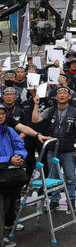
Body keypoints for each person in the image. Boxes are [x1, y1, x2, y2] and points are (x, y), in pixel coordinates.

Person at [31, 87, 76, 211]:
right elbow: (35, 119)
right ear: (56, 97)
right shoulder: (50, 110)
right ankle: (54, 200)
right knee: (53, 177)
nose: (62, 95)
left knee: (70, 177)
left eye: (65, 93)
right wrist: (35, 104)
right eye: (59, 93)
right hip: (52, 149)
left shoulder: (75, 111)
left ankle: (71, 200)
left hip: (69, 149)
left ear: (69, 96)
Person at [1, 104, 26, 247]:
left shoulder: (10, 130)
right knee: (1, 206)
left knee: (11, 202)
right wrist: (8, 159)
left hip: (11, 173)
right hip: (2, 172)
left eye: (3, 113)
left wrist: (18, 156)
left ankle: (8, 225)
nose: (0, 116)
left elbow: (20, 146)